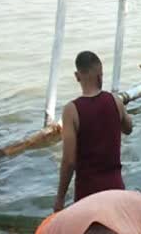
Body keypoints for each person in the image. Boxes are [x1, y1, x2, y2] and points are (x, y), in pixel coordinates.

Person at [54, 51, 133, 212]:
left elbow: (69, 162)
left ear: (77, 76)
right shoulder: (115, 101)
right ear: (100, 74)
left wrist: (60, 199)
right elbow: (128, 128)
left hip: (88, 195)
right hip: (116, 189)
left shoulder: (71, 110)